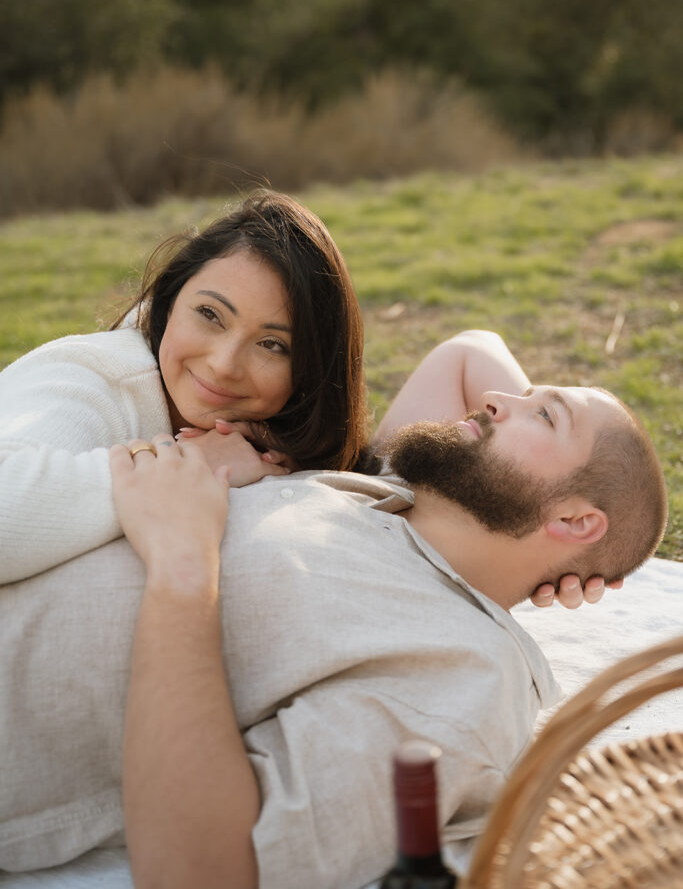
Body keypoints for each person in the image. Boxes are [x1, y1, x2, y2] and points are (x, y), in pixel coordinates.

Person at [0, 334, 667, 887]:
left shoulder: (462, 675)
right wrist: (573, 539)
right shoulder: (392, 498)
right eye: (524, 395)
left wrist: (181, 561)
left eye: (542, 415)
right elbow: (468, 351)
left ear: (578, 519)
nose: (496, 399)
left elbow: (203, 872)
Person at [0, 189, 371, 584]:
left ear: (310, 373)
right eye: (210, 314)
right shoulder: (93, 378)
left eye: (272, 345)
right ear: (168, 301)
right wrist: (189, 463)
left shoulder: (276, 441)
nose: (223, 364)